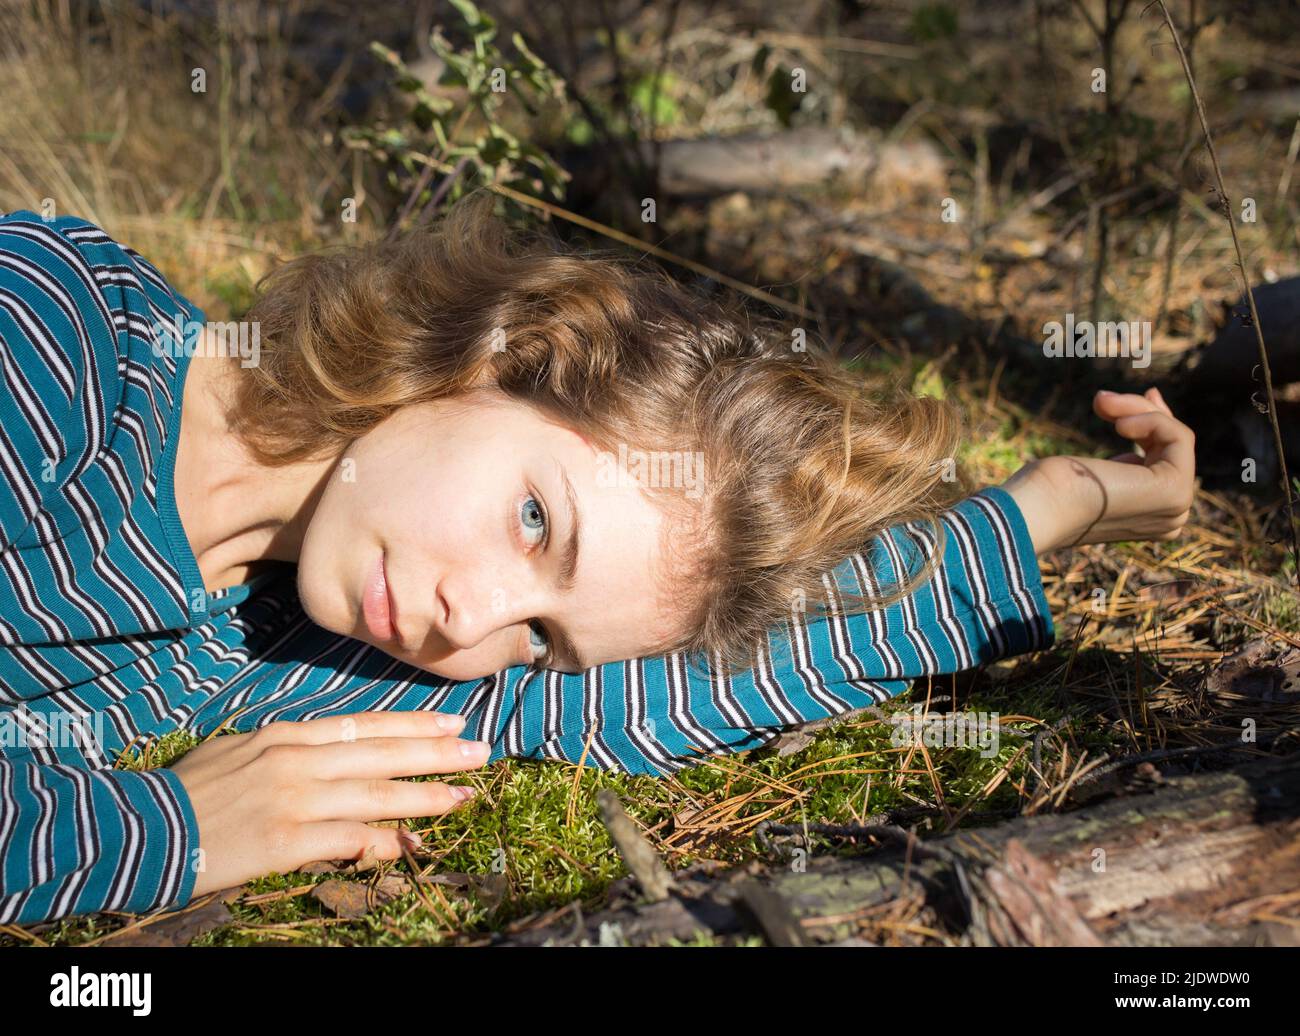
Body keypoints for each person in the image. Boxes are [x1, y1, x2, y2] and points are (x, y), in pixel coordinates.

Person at [0, 193, 1195, 924]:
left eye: (540, 637)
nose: (464, 625)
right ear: (503, 354)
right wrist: (161, 830)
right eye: (536, 522)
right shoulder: (59, 348)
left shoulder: (279, 641)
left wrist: (1056, 505)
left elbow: (668, 692)